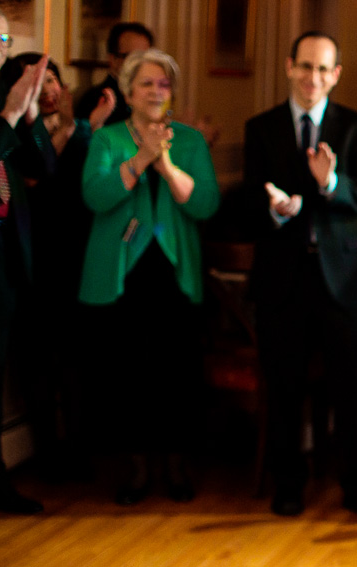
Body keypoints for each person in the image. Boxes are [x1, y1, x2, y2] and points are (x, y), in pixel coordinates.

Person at [242, 31, 357, 522]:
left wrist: (329, 183)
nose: (312, 77)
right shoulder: (261, 127)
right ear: (289, 66)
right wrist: (274, 209)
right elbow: (249, 200)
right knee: (285, 386)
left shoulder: (356, 126)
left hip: (344, 278)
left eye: (322, 69)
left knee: (352, 388)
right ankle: (288, 484)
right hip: (282, 276)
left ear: (335, 75)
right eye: (304, 66)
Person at [79, 48, 220, 506]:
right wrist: (140, 159)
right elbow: (96, 197)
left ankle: (177, 464)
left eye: (163, 84)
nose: (157, 91)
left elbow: (204, 205)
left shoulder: (191, 142)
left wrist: (165, 164)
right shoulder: (106, 139)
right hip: (123, 274)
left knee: (176, 369)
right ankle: (137, 466)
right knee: (128, 371)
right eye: (147, 84)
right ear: (127, 92)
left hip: (175, 273)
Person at [9, 52, 113, 480]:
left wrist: (86, 128)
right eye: (36, 81)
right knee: (37, 361)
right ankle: (49, 452)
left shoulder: (76, 128)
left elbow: (82, 185)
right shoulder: (13, 131)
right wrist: (85, 126)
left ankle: (80, 449)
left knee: (75, 359)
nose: (47, 89)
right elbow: (43, 174)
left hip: (73, 255)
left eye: (51, 80)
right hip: (33, 258)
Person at [0, 5, 48, 515]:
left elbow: (43, 166)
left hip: (4, 266)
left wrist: (27, 117)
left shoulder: (3, 98)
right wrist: (9, 115)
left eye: (2, 40)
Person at [75, 22, 153, 126]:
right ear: (113, 59)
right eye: (132, 57)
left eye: (145, 57)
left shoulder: (153, 95)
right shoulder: (95, 99)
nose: (140, 64)